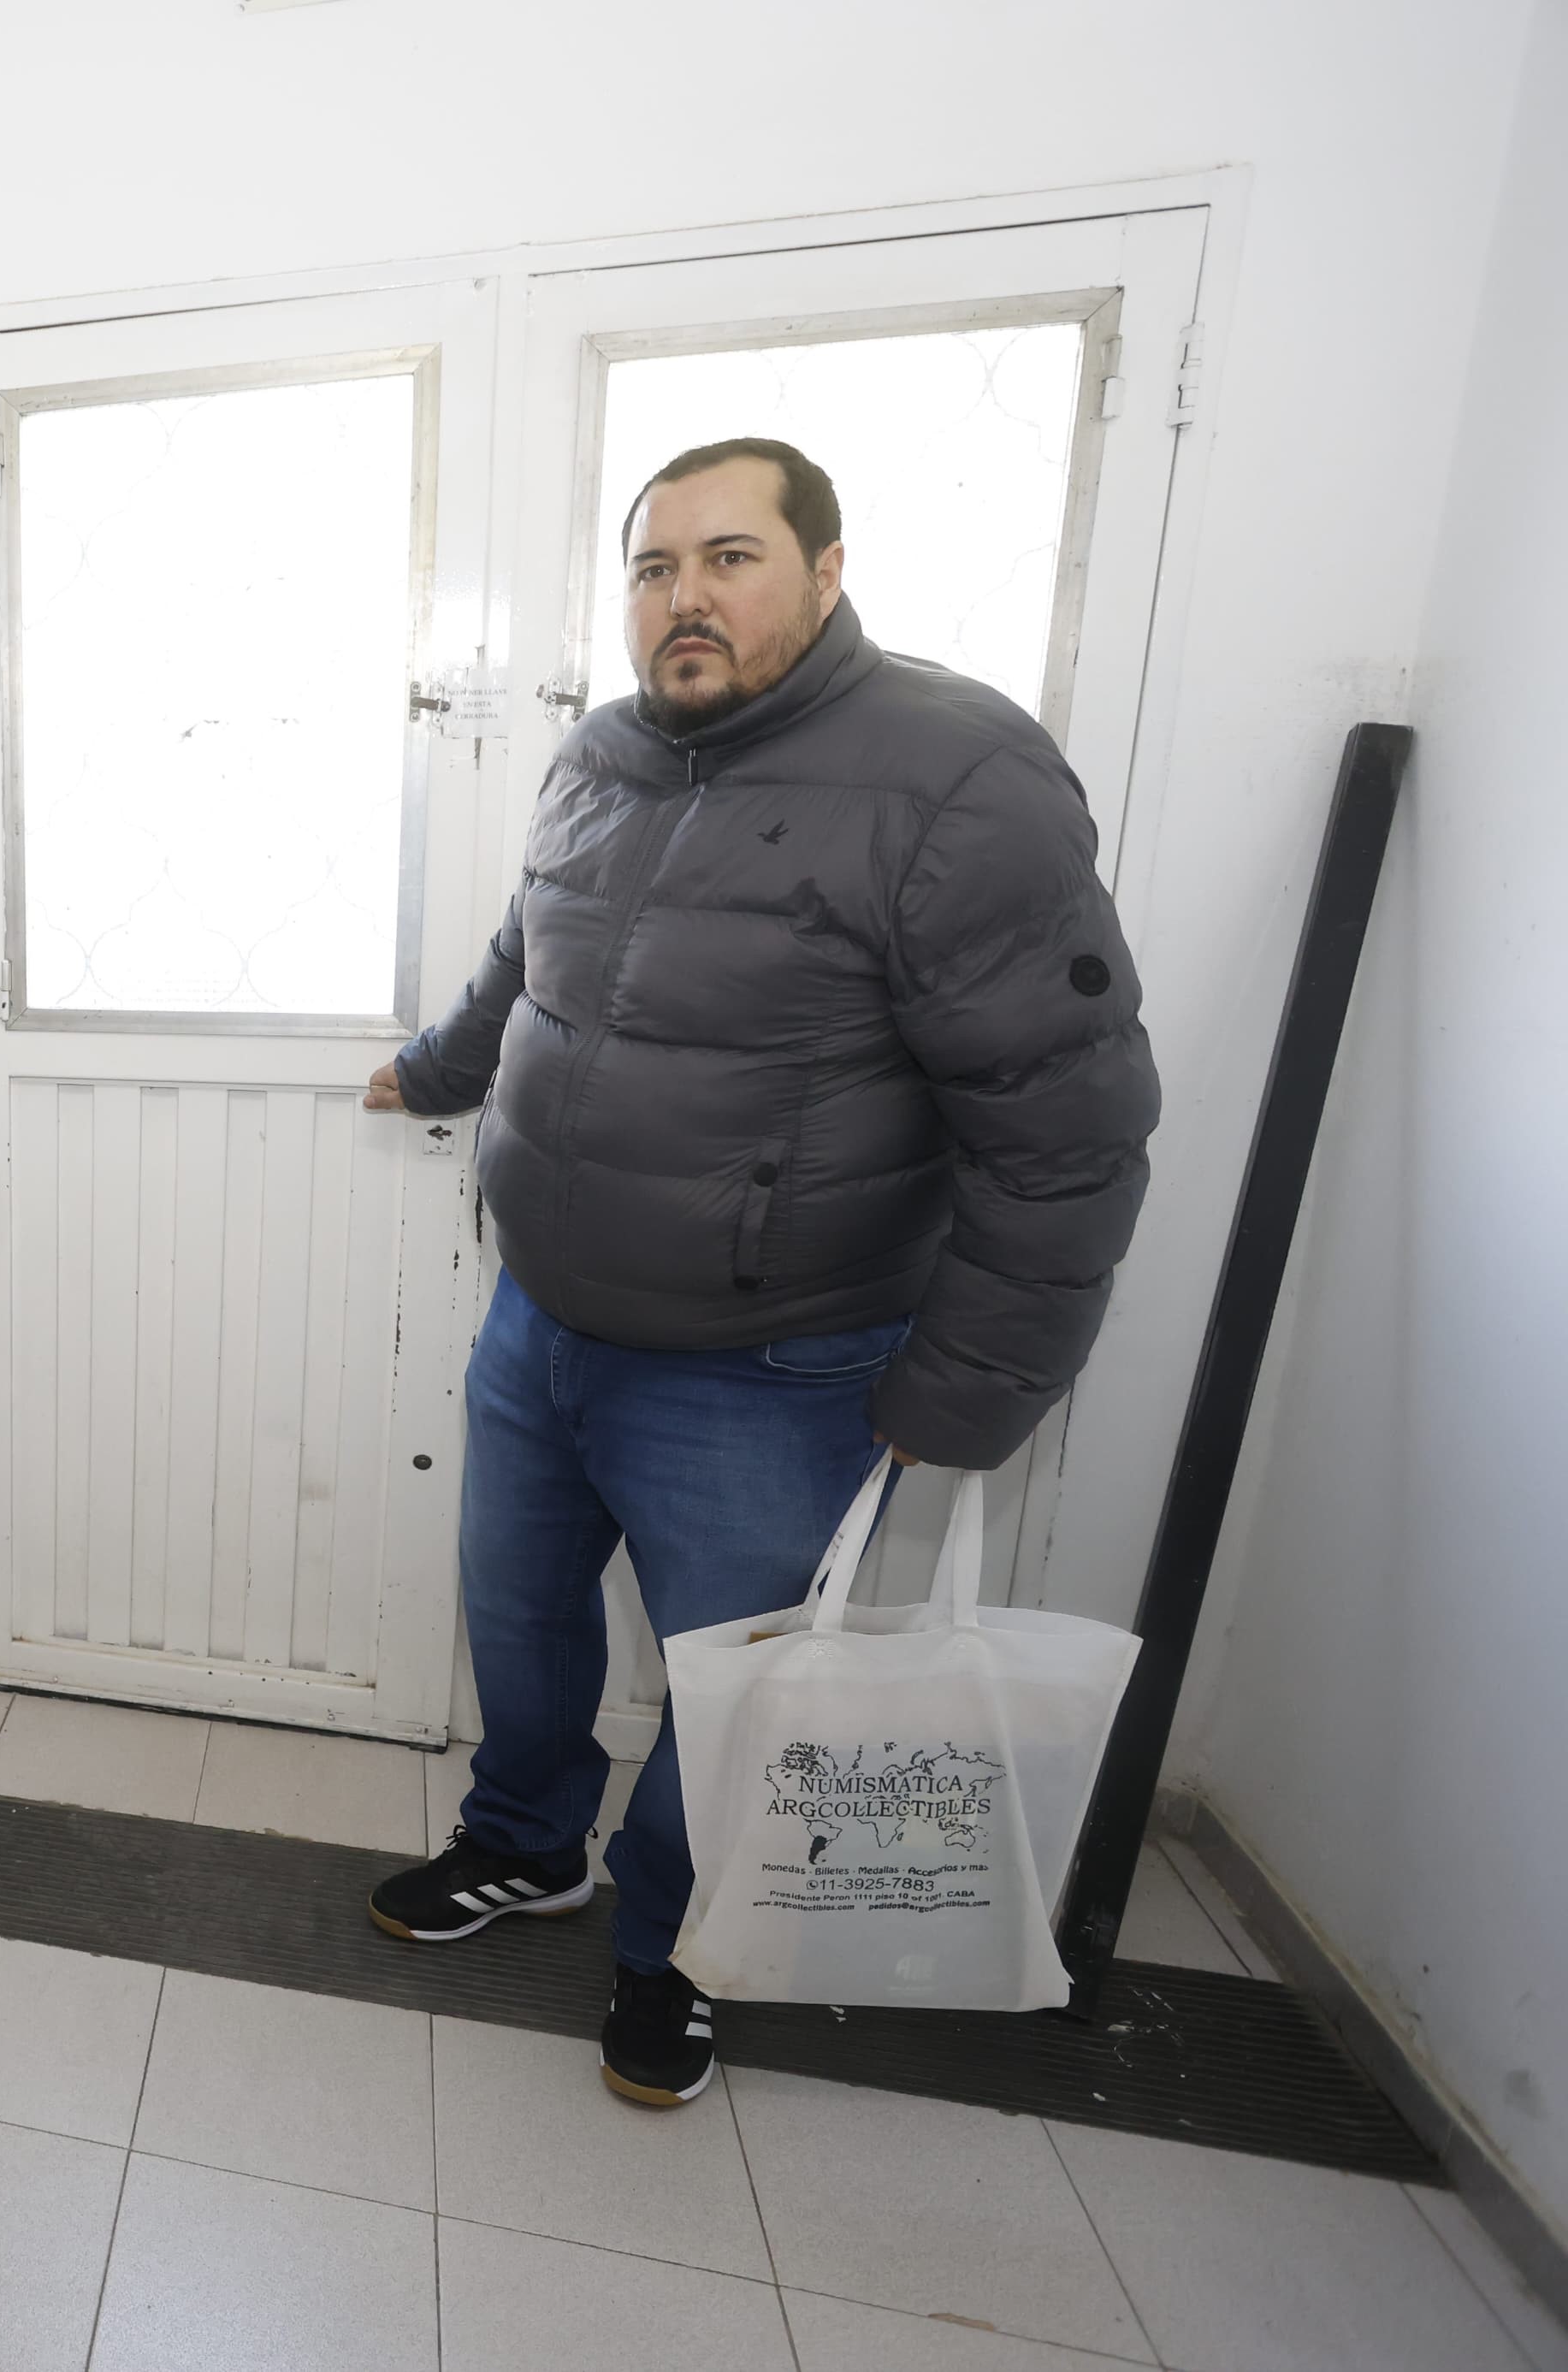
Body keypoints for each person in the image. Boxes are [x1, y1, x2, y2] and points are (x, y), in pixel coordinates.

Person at [361, 438, 1159, 2107]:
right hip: (542, 1321)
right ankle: (523, 1844)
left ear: (826, 567)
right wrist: (439, 1070)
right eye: (653, 569)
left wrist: (968, 1390)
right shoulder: (602, 752)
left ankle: (669, 1948)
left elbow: (1063, 1125)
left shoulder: (959, 783)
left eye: (729, 558)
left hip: (763, 1361)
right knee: (517, 1628)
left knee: (731, 1698)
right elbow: (536, 953)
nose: (684, 599)